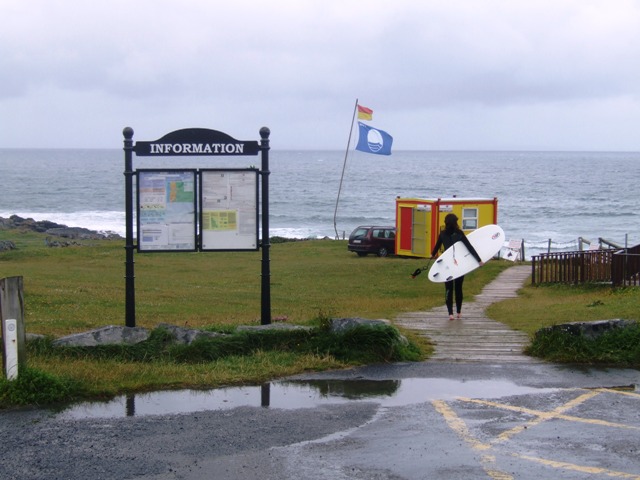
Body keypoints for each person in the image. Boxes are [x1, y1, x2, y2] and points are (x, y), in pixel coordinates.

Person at [430, 213, 483, 321]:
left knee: (448, 289)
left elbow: (436, 248)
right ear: (455, 223)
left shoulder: (443, 234)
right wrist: (479, 260)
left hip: (447, 266)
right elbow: (469, 247)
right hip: (459, 265)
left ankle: (450, 314)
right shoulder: (459, 233)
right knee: (458, 288)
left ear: (446, 222)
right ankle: (458, 312)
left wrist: (432, 256)